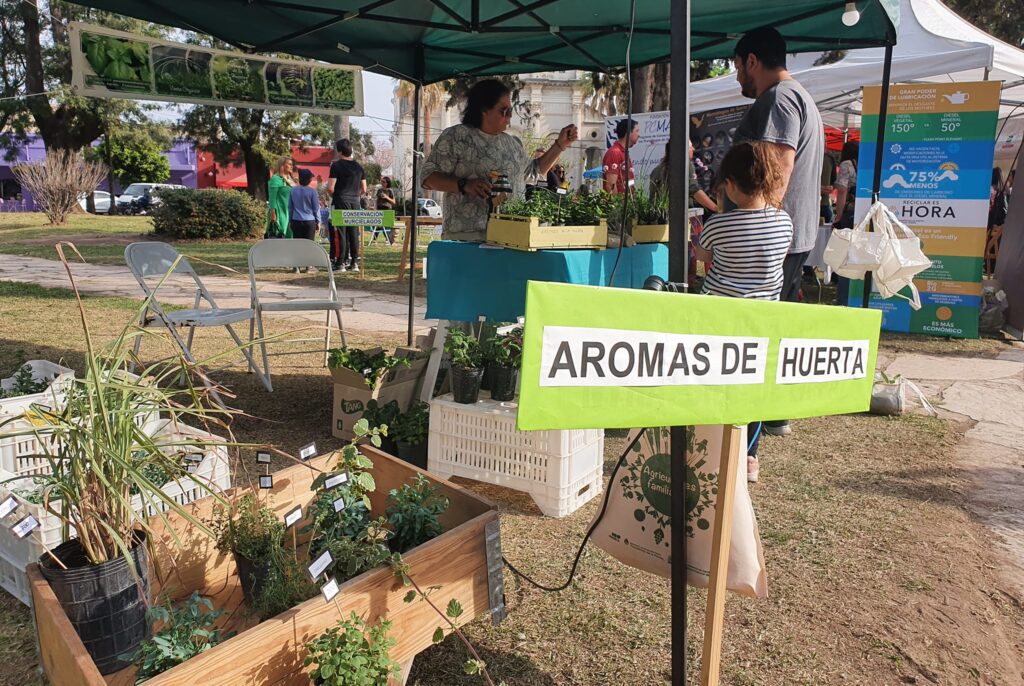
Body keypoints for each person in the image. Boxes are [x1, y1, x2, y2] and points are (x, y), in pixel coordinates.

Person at [732, 26, 824, 438]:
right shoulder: (799, 96)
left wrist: (753, 229)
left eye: (738, 67)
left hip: (775, 239)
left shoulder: (780, 99)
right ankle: (773, 415)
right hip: (791, 236)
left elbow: (778, 170)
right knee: (775, 332)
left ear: (753, 61)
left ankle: (748, 438)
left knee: (756, 339)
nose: (737, 78)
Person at [692, 141, 793, 482]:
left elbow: (703, 258)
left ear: (731, 185)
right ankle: (749, 457)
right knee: (752, 390)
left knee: (714, 385)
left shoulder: (719, 226)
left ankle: (711, 447)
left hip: (718, 319)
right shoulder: (784, 223)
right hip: (761, 322)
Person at [420, 78, 577, 241]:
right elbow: (427, 178)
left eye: (510, 110)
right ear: (484, 109)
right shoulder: (457, 136)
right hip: (469, 237)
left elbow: (534, 172)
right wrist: (464, 185)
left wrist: (560, 144)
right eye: (504, 110)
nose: (509, 116)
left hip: (512, 236)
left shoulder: (512, 144)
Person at [327, 138, 366, 272]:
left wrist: (336, 196)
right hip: (355, 201)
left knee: (342, 233)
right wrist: (355, 195)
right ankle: (354, 262)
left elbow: (331, 188)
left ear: (340, 151)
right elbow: (364, 188)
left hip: (341, 200)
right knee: (353, 232)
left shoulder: (336, 166)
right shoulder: (359, 166)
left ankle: (341, 263)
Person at [831, 140, 860, 304]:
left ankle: (843, 298)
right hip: (866, 214)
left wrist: (839, 215)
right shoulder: (867, 163)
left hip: (850, 213)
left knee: (844, 257)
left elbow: (841, 190)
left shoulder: (847, 165)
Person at [602, 118, 640, 194]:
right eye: (637, 131)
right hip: (620, 205)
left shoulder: (623, 152)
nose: (639, 135)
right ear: (628, 132)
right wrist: (617, 205)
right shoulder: (614, 152)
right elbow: (610, 185)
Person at [288, 168, 321, 244]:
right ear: (309, 180)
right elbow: (316, 208)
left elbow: (290, 207)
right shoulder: (312, 191)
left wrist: (290, 220)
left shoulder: (293, 190)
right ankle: (308, 256)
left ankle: (298, 256)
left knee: (297, 244)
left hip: (296, 220)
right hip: (309, 221)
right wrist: (318, 221)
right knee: (309, 244)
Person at [987, 167, 1009, 276]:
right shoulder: (1004, 192)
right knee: (995, 253)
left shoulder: (989, 190)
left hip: (990, 226)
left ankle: (988, 271)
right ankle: (992, 273)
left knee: (988, 251)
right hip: (999, 229)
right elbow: (1005, 213)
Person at [266, 157, 295, 239]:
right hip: (279, 212)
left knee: (290, 238)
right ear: (282, 165)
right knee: (280, 237)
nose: (291, 166)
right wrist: (273, 214)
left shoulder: (290, 179)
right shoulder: (276, 179)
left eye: (292, 164)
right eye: (289, 164)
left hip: (289, 212)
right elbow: (272, 198)